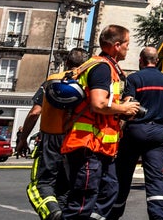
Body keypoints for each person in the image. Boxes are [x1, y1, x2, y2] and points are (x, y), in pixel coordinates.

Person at [62, 25, 142, 220]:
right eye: (126, 44)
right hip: (88, 145)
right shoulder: (102, 68)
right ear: (116, 45)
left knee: (109, 190)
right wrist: (124, 108)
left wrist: (121, 108)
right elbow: (98, 104)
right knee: (83, 202)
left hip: (99, 148)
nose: (128, 48)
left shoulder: (104, 67)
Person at [108, 47, 163, 220]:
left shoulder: (134, 79)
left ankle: (114, 212)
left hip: (135, 131)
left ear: (140, 60)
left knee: (123, 174)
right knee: (155, 178)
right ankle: (158, 216)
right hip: (158, 133)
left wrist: (119, 130)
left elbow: (127, 107)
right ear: (156, 61)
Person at [18, 47, 90, 220]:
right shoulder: (86, 84)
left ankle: (53, 214)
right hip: (75, 140)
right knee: (65, 188)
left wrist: (23, 138)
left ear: (66, 62)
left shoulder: (52, 81)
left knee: (41, 185)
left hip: (51, 138)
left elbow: (35, 112)